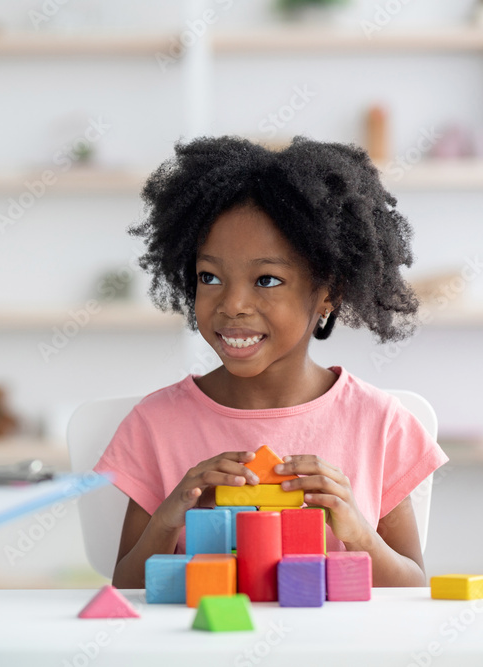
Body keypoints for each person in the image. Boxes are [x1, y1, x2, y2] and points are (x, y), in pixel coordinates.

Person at [96, 136, 448, 589]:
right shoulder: (154, 424)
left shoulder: (381, 425)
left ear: (329, 293)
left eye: (266, 280)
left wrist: (359, 533)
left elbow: (412, 589)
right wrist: (169, 517)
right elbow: (127, 587)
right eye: (210, 276)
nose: (233, 305)